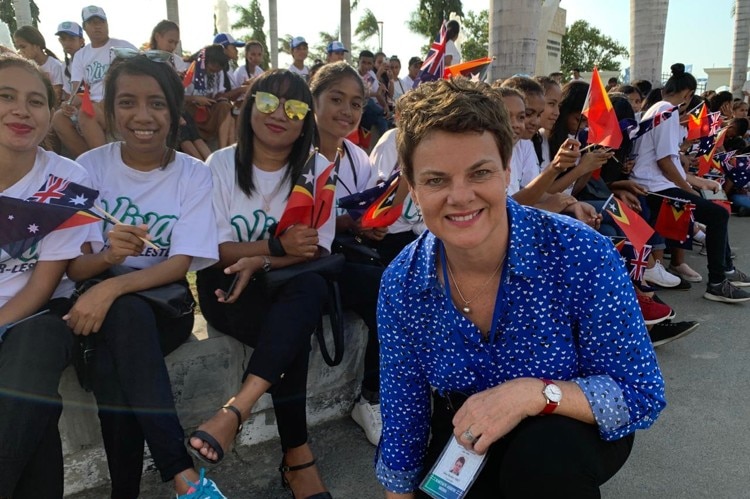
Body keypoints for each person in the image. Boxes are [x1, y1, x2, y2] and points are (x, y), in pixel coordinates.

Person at [376, 77, 666, 498]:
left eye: (480, 172)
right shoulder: (402, 282)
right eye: (436, 180)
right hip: (467, 428)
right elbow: (405, 415)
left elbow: (639, 392)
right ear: (413, 185)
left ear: (507, 169)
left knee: (543, 459)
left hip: (568, 427)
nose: (460, 196)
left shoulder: (580, 253)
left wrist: (535, 395)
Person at [65, 53, 224, 499]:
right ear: (112, 110)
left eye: (156, 103)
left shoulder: (194, 174)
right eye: (128, 102)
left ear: (174, 113)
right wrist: (107, 259)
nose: (142, 116)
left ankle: (146, 486)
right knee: (119, 348)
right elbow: (75, 266)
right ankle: (181, 475)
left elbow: (179, 265)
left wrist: (113, 285)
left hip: (164, 308)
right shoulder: (88, 168)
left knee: (127, 314)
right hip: (102, 311)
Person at [193, 70, 335, 499]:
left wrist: (264, 258)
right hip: (228, 286)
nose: (280, 115)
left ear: (306, 119)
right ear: (249, 104)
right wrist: (271, 245)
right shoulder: (219, 165)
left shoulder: (317, 170)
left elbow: (318, 249)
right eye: (269, 102)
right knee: (292, 334)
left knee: (307, 293)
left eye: (294, 108)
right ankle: (298, 458)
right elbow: (211, 249)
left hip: (289, 282)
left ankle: (236, 410)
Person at [0, 53, 95, 499]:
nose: (21, 110)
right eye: (6, 97)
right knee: (33, 408)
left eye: (35, 101)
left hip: (38, 314)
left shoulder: (65, 179)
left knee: (29, 360)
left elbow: (41, 284)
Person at [309, 62, 385, 446]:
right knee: (383, 290)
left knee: (401, 280)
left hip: (348, 253)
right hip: (308, 260)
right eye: (336, 99)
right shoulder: (293, 152)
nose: (346, 111)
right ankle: (371, 396)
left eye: (356, 104)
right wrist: (350, 225)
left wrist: (372, 223)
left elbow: (363, 211)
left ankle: (378, 392)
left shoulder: (357, 156)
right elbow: (298, 220)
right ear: (314, 100)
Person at [630, 63, 750, 303]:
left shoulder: (659, 108)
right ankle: (717, 282)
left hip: (655, 183)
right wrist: (688, 189)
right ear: (687, 94)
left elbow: (668, 159)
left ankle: (724, 271)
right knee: (717, 214)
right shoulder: (667, 111)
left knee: (716, 207)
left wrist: (695, 182)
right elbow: (665, 161)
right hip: (652, 188)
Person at [52, 5, 137, 156]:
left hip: (117, 103)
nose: (98, 26)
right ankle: (90, 165)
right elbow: (79, 91)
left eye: (101, 22)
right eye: (92, 22)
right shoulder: (81, 55)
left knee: (87, 113)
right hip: (93, 105)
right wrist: (69, 104)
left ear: (107, 23)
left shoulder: (124, 46)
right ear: (85, 27)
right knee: (59, 118)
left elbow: (140, 79)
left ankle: (104, 165)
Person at [184, 44, 243, 149]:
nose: (214, 72)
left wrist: (219, 98)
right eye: (211, 69)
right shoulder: (189, 69)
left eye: (217, 70)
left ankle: (225, 148)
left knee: (226, 107)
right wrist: (196, 99)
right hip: (190, 109)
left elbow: (218, 93)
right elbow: (178, 97)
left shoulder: (219, 72)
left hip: (208, 108)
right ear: (205, 62)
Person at [13, 26, 64, 106]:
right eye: (18, 47)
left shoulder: (55, 66)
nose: (20, 51)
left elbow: (57, 96)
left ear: (36, 45)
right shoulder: (27, 67)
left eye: (23, 47)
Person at [55, 21, 86, 102]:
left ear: (81, 41)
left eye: (72, 39)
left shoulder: (90, 60)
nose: (67, 43)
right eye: (63, 39)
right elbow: (68, 94)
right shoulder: (65, 65)